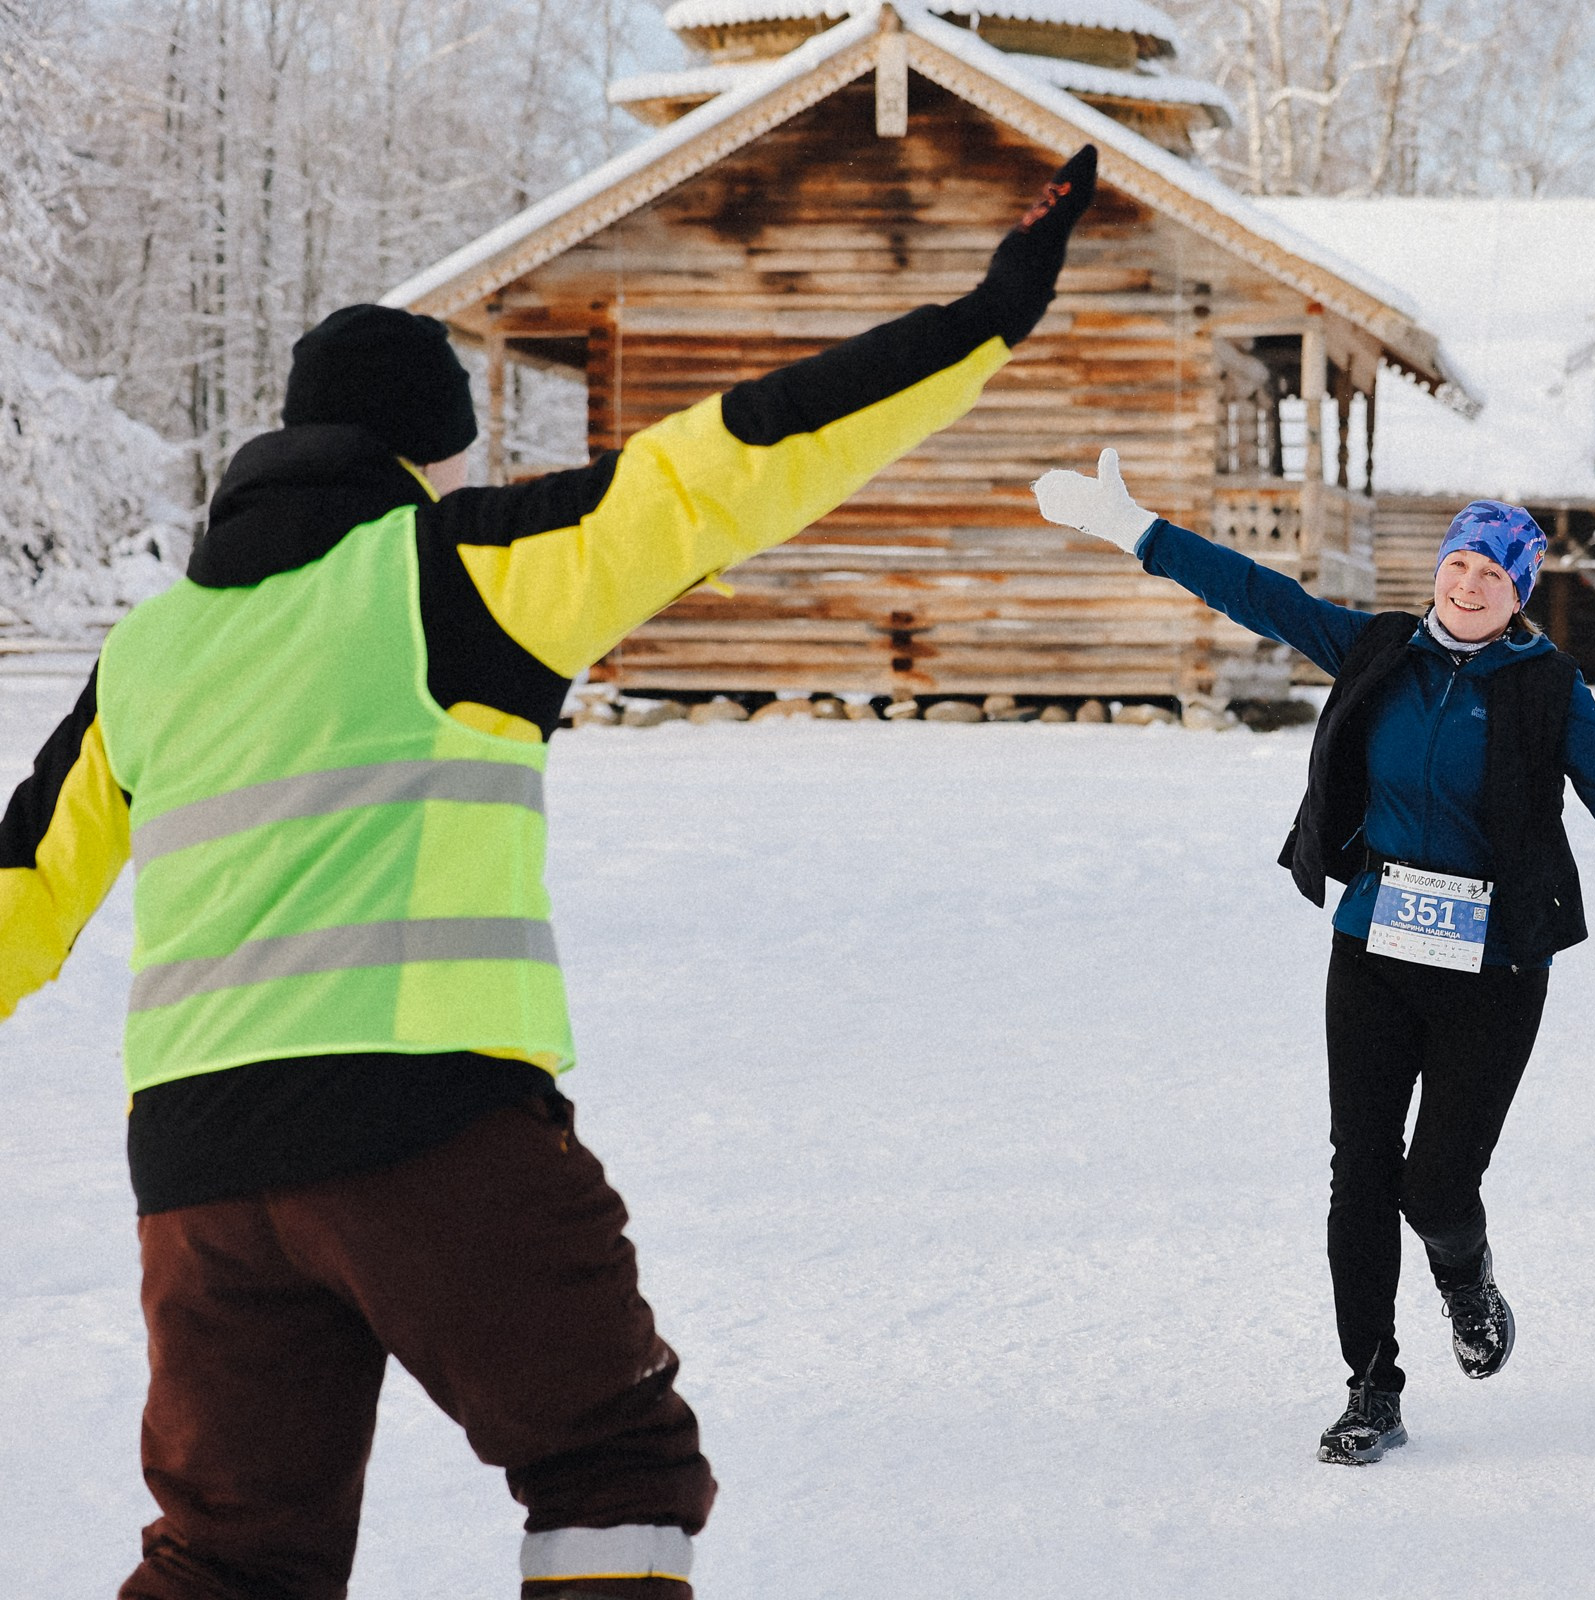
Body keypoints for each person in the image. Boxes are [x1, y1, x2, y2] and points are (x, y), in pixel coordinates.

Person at [0, 148, 1097, 1600]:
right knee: (610, 1469)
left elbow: (21, 894)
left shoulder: (149, 651)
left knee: (228, 1557)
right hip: (428, 1127)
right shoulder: (458, 568)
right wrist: (987, 317)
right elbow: (733, 462)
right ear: (428, 451)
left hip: (198, 1190)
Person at [1032, 454, 1595, 1465]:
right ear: (1438, 569)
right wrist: (1139, 530)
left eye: (1496, 571)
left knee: (1433, 1186)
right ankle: (1372, 1386)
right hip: (1374, 947)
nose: (1472, 581)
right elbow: (1258, 595)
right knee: (1359, 1172)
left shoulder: (1547, 689)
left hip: (1494, 971)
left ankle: (1467, 1275)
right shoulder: (1378, 648)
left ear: (1519, 592)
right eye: (1461, 561)